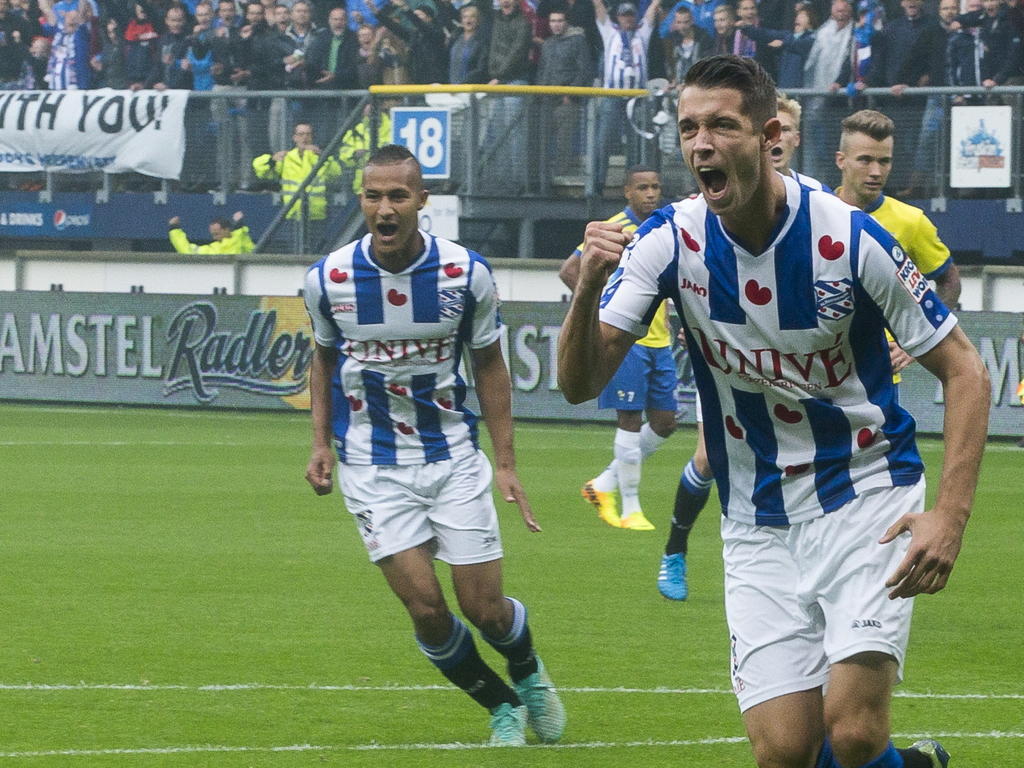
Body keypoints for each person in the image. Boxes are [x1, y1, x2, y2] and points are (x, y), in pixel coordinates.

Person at [558, 54, 988, 768]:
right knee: (785, 754)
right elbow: (580, 383)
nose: (702, 143)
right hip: (756, 516)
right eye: (690, 127)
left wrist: (951, 515)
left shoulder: (849, 239)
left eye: (723, 125)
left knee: (851, 731)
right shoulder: (668, 241)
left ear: (770, 137)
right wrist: (584, 289)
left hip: (865, 496)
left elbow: (966, 367)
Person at [302, 144, 566, 747]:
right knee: (425, 608)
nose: (385, 208)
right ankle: (502, 707)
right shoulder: (329, 279)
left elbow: (491, 364)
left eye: (399, 195)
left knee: (486, 610)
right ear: (361, 200)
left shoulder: (464, 273)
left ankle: (526, 670)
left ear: (423, 200)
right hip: (371, 465)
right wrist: (318, 442)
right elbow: (320, 358)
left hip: (451, 460)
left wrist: (505, 461)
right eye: (374, 195)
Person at [656, 91, 831, 602]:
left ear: (785, 138)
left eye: (789, 134)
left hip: (806, 368)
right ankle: (675, 549)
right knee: (710, 456)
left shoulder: (820, 206)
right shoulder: (703, 211)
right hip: (737, 363)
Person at [559, 166, 673, 531]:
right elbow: (570, 269)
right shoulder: (615, 227)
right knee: (630, 418)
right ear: (627, 192)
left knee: (665, 422)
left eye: (655, 187)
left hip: (660, 338)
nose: (651, 193)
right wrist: (601, 300)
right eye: (643, 187)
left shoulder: (662, 225)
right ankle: (631, 509)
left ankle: (603, 483)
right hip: (627, 338)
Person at [834, 109, 962, 381]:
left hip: (879, 373)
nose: (876, 171)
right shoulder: (815, 210)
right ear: (841, 161)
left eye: (884, 161)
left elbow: (949, 280)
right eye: (865, 160)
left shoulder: (911, 221)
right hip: (819, 368)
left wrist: (920, 341)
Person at [252, 122, 340, 252]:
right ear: (294, 138)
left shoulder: (318, 157)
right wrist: (272, 159)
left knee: (316, 249)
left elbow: (336, 174)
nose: (304, 138)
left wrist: (322, 155)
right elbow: (261, 171)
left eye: (308, 134)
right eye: (301, 134)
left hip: (316, 213)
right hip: (293, 213)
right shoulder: (287, 158)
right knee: (294, 250)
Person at [167, 210, 255, 254]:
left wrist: (239, 228)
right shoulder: (213, 248)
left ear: (227, 230)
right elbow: (187, 251)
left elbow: (249, 249)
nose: (214, 238)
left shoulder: (241, 241)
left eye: (216, 234)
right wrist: (174, 229)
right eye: (212, 234)